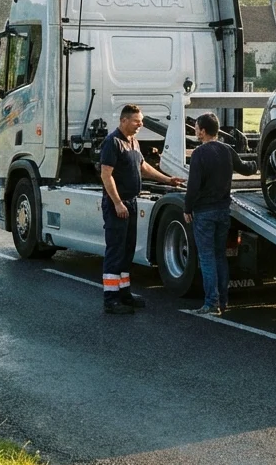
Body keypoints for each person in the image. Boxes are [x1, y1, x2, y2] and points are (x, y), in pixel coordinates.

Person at [101, 103, 184, 315]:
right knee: (115, 250)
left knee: (127, 250)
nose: (141, 124)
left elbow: (142, 167)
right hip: (116, 204)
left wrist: (168, 180)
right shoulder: (113, 142)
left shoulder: (133, 142)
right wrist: (118, 202)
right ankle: (111, 299)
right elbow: (106, 175)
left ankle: (124, 292)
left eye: (141, 121)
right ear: (124, 120)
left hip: (131, 203)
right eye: (137, 121)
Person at [184, 112, 257, 315]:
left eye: (196, 127)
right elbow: (245, 169)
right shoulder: (227, 150)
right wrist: (258, 161)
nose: (195, 131)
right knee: (220, 257)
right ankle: (223, 302)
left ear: (203, 131)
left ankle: (210, 303)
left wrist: (187, 208)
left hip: (204, 212)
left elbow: (193, 186)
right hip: (223, 211)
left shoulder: (199, 154)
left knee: (206, 258)